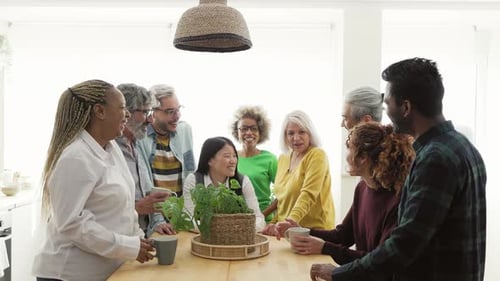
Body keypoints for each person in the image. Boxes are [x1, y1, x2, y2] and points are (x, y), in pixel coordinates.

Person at [310, 57, 487, 281]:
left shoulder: (434, 159)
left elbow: (403, 245)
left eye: (388, 105)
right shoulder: (463, 146)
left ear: (405, 107)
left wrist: (339, 274)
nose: (386, 113)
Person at [32, 80, 154, 281]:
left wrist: (138, 239)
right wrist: (126, 245)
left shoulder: (111, 148)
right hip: (69, 273)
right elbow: (71, 224)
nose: (128, 114)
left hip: (105, 270)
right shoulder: (76, 157)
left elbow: (122, 209)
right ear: (100, 111)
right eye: (122, 108)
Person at [277, 122, 414, 266]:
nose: (346, 156)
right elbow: (342, 236)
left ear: (363, 158)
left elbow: (379, 263)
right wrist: (301, 231)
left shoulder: (396, 200)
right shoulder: (362, 188)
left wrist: (324, 248)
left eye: (349, 149)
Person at [262, 110, 335, 236]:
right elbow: (282, 199)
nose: (296, 138)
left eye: (302, 132)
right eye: (291, 133)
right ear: (285, 136)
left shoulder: (317, 155)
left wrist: (290, 221)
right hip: (287, 230)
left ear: (310, 133)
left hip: (315, 230)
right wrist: (274, 223)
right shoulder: (283, 158)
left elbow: (308, 194)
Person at [116, 83, 175, 237]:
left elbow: (147, 197)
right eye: (144, 112)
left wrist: (158, 222)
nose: (150, 120)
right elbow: (99, 212)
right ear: (125, 113)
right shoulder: (109, 151)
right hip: (119, 242)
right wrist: (137, 208)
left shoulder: (136, 147)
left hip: (139, 239)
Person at [183, 136, 266, 231]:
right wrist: (220, 230)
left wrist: (238, 230)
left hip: (235, 239)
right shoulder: (194, 180)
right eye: (227, 156)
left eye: (234, 156)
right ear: (210, 160)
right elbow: (188, 219)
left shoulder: (242, 181)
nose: (233, 161)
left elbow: (259, 218)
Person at [137, 84, 195, 197]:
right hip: (155, 209)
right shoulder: (140, 138)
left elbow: (190, 171)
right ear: (152, 111)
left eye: (178, 109)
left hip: (182, 210)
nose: (177, 116)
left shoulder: (185, 131)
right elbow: (145, 184)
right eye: (170, 111)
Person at [230, 105, 278, 222]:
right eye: (244, 128)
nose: (249, 133)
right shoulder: (231, 157)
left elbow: (283, 193)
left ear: (260, 132)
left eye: (254, 128)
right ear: (237, 132)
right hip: (233, 221)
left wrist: (261, 215)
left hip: (262, 221)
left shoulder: (269, 159)